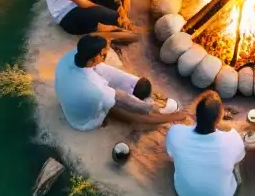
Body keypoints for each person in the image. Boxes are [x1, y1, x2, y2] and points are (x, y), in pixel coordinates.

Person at [54, 36, 184, 131]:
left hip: (69, 96)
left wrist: (134, 82)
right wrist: (150, 108)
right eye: (104, 55)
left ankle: (138, 93)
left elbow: (108, 73)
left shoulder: (69, 57)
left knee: (113, 77)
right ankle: (171, 116)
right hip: (81, 120)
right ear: (93, 58)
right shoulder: (96, 89)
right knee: (127, 112)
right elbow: (124, 100)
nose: (105, 57)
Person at [166, 91, 245, 196]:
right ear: (219, 119)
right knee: (235, 161)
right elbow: (239, 157)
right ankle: (235, 185)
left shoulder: (176, 132)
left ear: (196, 114)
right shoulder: (232, 139)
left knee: (178, 156)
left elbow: (171, 155)